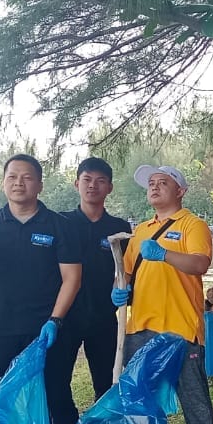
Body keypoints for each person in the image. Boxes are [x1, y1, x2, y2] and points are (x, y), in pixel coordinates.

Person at [0, 154, 82, 424]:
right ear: (3, 183)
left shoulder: (59, 225)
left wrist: (55, 320)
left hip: (45, 331)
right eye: (12, 176)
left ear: (39, 184)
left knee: (55, 398)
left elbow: (72, 279)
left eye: (27, 177)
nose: (19, 182)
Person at [110, 164, 213, 424]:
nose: (155, 188)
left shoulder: (192, 225)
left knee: (193, 394)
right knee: (137, 394)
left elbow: (200, 264)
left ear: (180, 191)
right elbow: (126, 273)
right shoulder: (140, 230)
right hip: (139, 326)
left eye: (163, 183)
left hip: (181, 325)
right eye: (152, 184)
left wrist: (165, 254)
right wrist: (118, 290)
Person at [53, 157, 131, 410]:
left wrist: (123, 288)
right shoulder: (61, 223)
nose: (92, 186)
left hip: (104, 317)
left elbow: (127, 271)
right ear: (77, 184)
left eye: (100, 181)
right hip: (66, 316)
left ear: (110, 187)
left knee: (107, 385)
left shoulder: (119, 228)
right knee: (56, 383)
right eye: (86, 180)